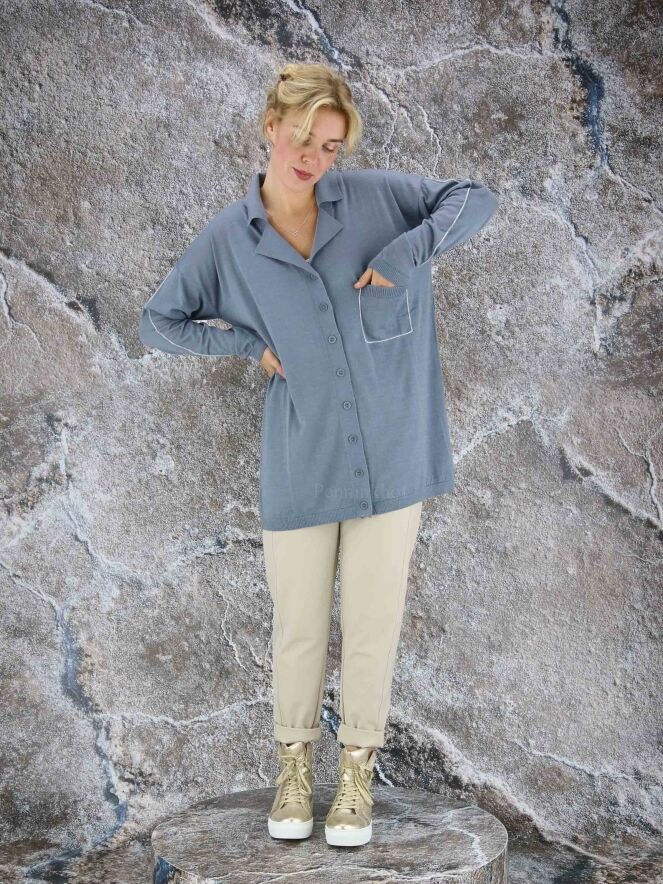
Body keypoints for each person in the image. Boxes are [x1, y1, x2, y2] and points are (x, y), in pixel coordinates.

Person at [138, 61, 498, 848]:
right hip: (300, 458)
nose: (314, 158)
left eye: (330, 146)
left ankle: (357, 778)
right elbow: (158, 321)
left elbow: (474, 196)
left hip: (393, 456)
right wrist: (247, 346)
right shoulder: (230, 240)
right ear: (271, 127)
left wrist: (408, 253)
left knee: (372, 622)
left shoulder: (375, 199)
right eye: (303, 139)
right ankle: (295, 773)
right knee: (298, 626)